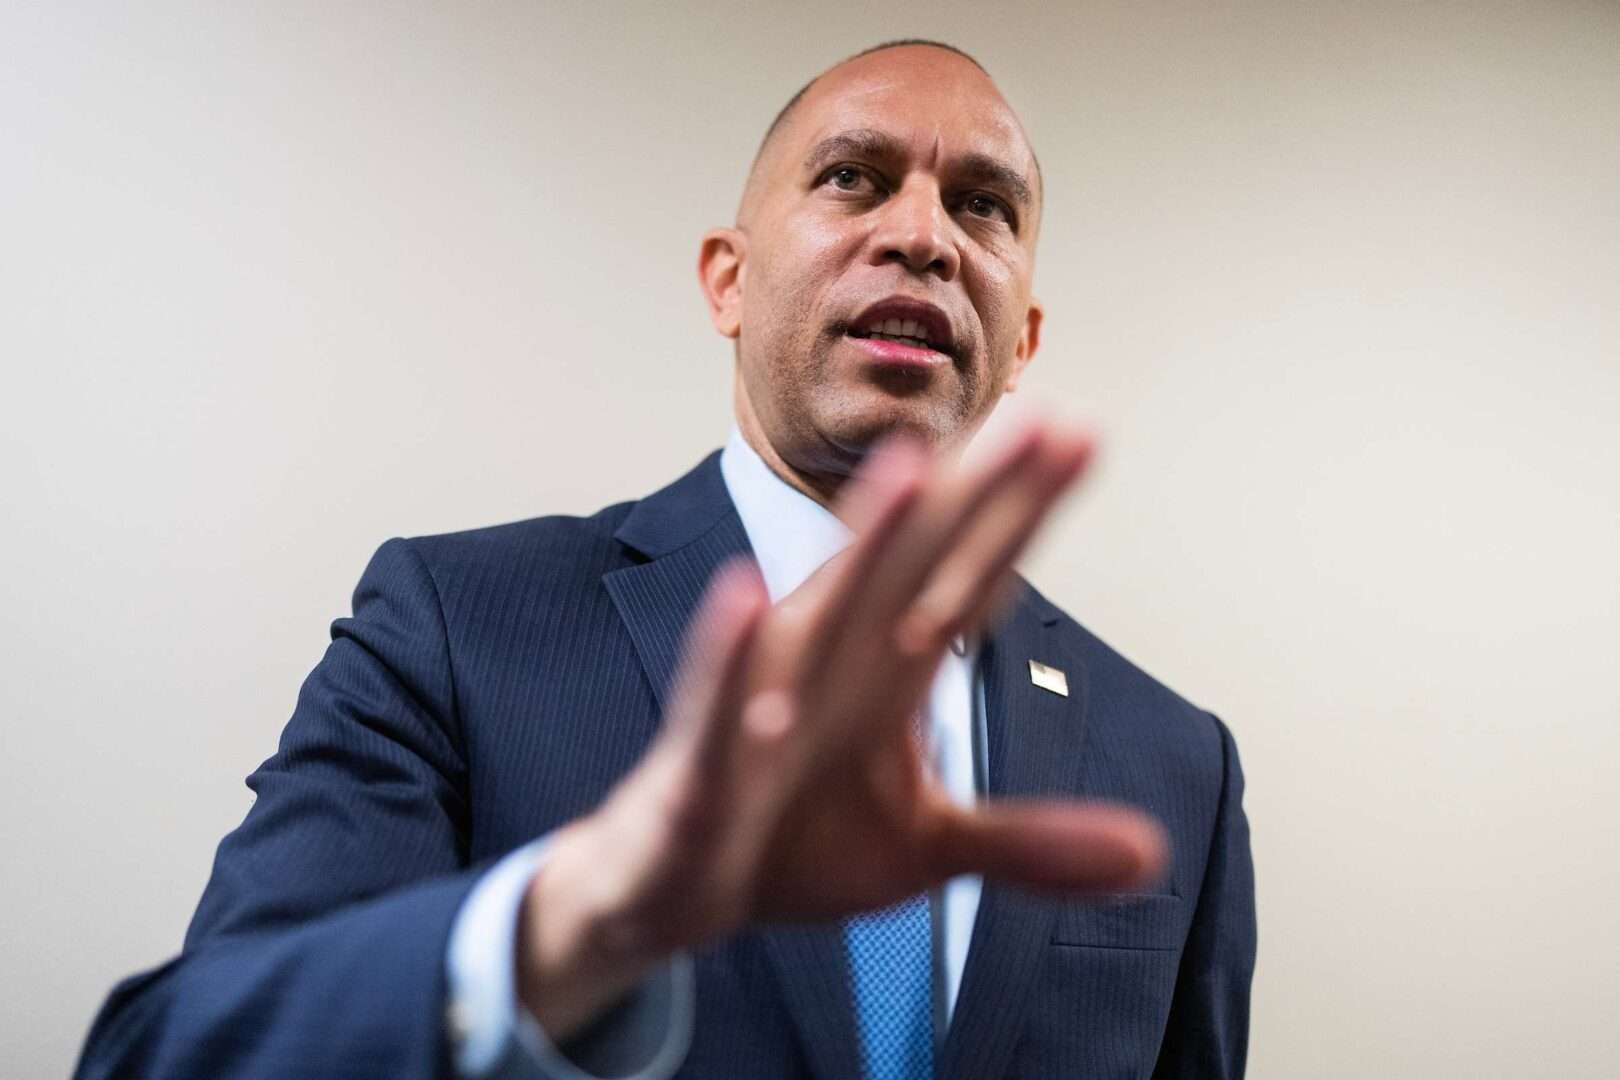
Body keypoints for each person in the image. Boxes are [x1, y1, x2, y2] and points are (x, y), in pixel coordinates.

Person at [75, 38, 1255, 1080]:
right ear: (728, 281)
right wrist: (586, 918)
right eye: (855, 178)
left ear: (1021, 345)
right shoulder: (456, 624)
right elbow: (173, 1051)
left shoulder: (1175, 760)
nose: (921, 235)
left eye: (985, 205)